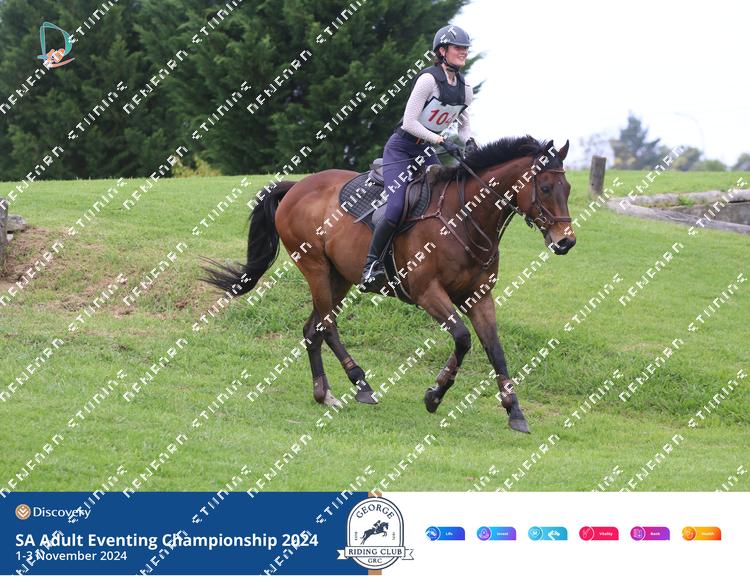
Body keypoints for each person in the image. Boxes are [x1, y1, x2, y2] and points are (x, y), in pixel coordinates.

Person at [360, 24, 477, 292]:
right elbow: (409, 122)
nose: (463, 52)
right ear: (442, 51)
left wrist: (469, 142)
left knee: (443, 199)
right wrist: (440, 140)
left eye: (465, 48)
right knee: (396, 206)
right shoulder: (428, 80)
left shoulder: (465, 89)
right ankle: (371, 266)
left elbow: (464, 124)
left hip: (425, 150)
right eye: (458, 48)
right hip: (401, 148)